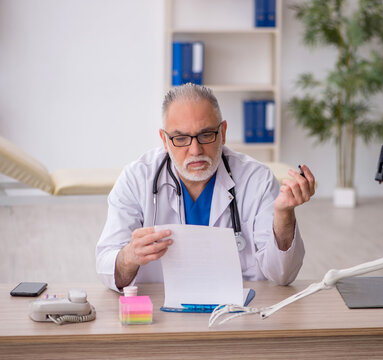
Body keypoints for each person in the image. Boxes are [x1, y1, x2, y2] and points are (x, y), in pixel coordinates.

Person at [96, 83, 316, 292]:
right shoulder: (137, 179)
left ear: (223, 132)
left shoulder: (256, 179)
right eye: (181, 138)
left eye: (206, 135)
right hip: (161, 315)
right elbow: (106, 267)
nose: (195, 150)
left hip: (237, 314)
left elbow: (282, 275)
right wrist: (129, 256)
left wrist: (284, 215)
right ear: (164, 139)